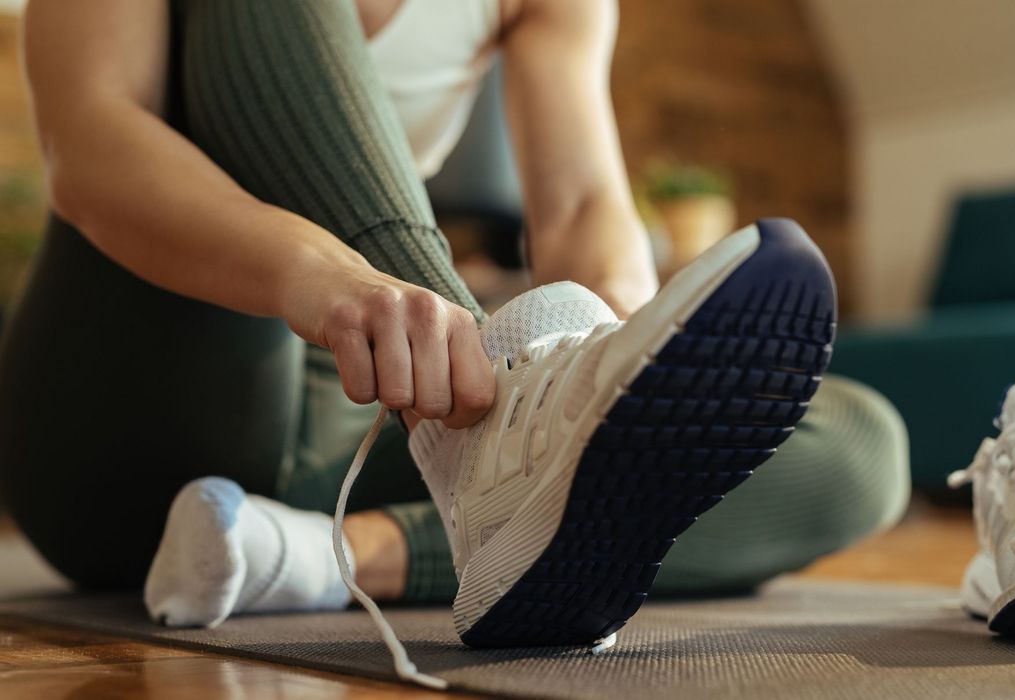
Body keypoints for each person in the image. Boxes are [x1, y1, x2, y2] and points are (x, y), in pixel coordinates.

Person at [0, 0, 908, 675]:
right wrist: (333, 281)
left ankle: (338, 555)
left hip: (366, 407)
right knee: (498, 428)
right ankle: (479, 455)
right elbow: (90, 139)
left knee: (861, 442)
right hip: (134, 414)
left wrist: (611, 356)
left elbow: (584, 204)